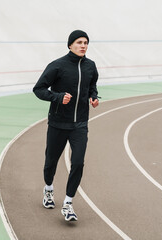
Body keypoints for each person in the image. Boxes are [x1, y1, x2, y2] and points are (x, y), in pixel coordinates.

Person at [33, 30, 99, 221]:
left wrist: (93, 97)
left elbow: (92, 85)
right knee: (51, 161)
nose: (83, 45)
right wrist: (58, 97)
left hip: (80, 124)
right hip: (58, 123)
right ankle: (48, 189)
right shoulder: (57, 66)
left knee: (78, 163)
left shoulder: (90, 66)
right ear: (70, 45)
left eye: (86, 42)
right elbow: (38, 89)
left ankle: (68, 203)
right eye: (79, 42)